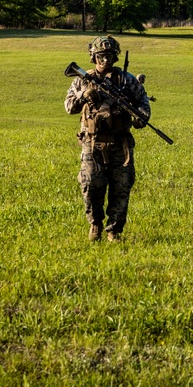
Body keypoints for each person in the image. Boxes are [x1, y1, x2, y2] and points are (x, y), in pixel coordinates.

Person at [64, 36, 150, 243]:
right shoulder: (82, 80)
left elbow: (142, 103)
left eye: (109, 56)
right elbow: (69, 107)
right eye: (101, 56)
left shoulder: (127, 80)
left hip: (120, 142)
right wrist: (85, 95)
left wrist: (141, 117)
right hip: (92, 142)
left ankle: (114, 230)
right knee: (91, 184)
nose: (105, 61)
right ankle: (95, 224)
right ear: (93, 57)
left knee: (121, 186)